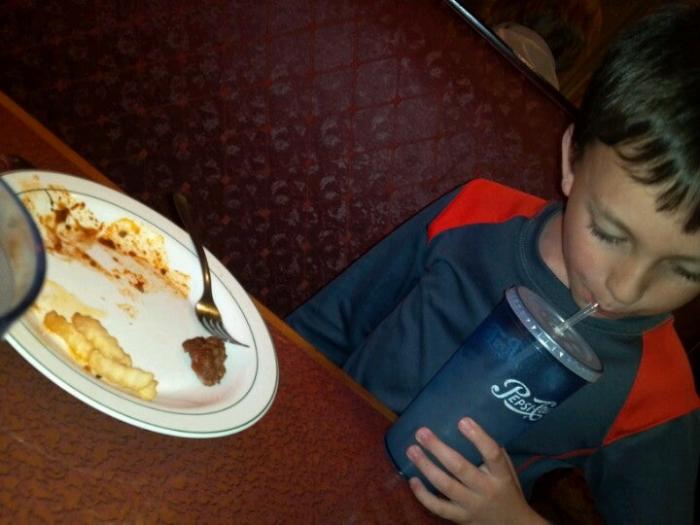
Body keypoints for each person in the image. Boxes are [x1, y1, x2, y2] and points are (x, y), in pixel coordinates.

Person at [286, 4, 700, 524]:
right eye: (609, 234)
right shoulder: (476, 213)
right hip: (307, 454)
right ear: (572, 160)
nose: (625, 289)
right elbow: (329, 324)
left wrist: (513, 520)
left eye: (687, 271)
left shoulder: (659, 396)